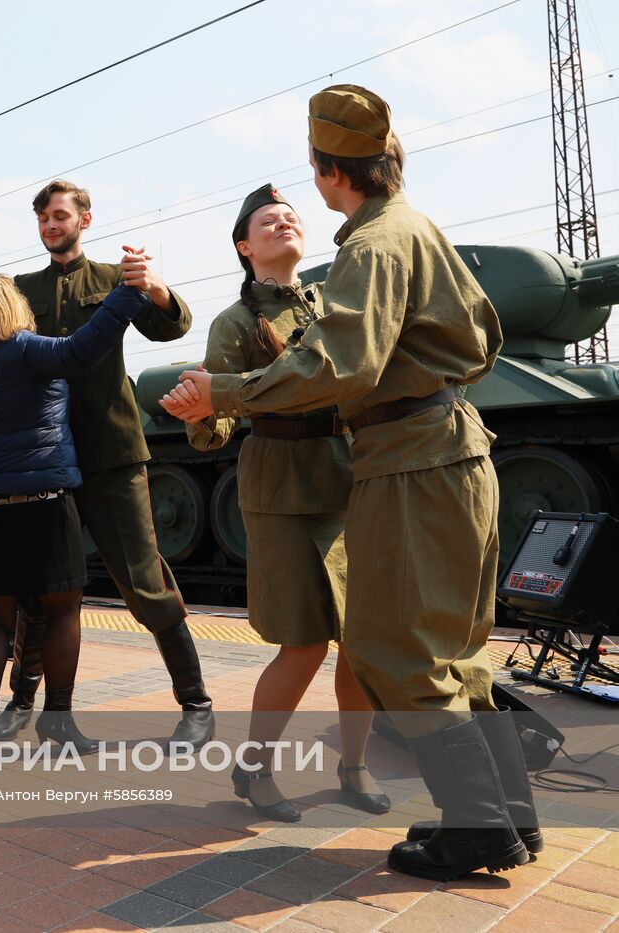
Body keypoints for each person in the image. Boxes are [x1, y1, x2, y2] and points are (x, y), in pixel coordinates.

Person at [161, 85, 533, 881]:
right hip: (443, 447)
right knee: (453, 649)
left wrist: (222, 393)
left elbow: (337, 365)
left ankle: (479, 828)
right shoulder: (415, 229)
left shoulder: (366, 249)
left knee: (395, 649)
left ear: (330, 173)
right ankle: (506, 817)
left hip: (407, 462)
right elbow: (485, 337)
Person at [0, 179, 215, 748]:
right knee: (37, 594)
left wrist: (155, 286)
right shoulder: (18, 290)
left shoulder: (112, 279)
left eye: (60, 215)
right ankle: (25, 706)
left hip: (110, 454)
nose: (51, 226)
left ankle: (196, 704)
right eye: (43, 218)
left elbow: (173, 325)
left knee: (145, 582)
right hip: (43, 463)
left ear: (85, 219)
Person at [186, 183, 387, 822]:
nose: (283, 223)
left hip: (348, 480)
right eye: (267, 221)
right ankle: (255, 770)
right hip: (280, 491)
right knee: (302, 644)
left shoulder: (334, 304)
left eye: (291, 216)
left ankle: (353, 766)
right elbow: (214, 425)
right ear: (245, 247)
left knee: (361, 641)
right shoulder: (235, 323)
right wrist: (199, 413)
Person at [0, 274, 145, 753]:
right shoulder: (28, 348)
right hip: (42, 501)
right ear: (12, 308)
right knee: (62, 612)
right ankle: (57, 718)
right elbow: (83, 348)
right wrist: (130, 293)